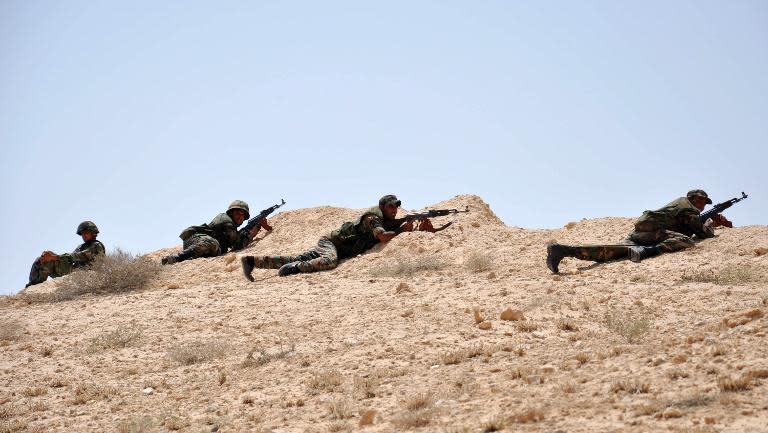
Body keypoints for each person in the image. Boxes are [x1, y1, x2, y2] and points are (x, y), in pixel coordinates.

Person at [240, 194, 435, 279]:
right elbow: (384, 237)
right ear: (383, 207)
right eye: (391, 206)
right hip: (332, 243)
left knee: (296, 257)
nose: (395, 210)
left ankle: (252, 261)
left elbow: (396, 230)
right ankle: (295, 269)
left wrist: (422, 229)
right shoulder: (373, 217)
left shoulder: (388, 219)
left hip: (340, 246)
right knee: (329, 261)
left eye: (397, 206)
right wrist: (403, 231)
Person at [546, 189, 733, 274]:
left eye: (704, 203)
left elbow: (688, 224)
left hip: (644, 230)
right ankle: (648, 251)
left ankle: (562, 250)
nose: (701, 205)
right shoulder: (688, 207)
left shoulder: (681, 206)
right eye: (700, 200)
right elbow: (700, 234)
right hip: (654, 230)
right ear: (691, 198)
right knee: (685, 241)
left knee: (609, 251)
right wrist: (712, 224)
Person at [162, 200, 271, 265]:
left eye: (243, 215)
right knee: (212, 242)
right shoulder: (226, 220)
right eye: (238, 213)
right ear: (231, 213)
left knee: (215, 247)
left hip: (206, 248)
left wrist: (255, 229)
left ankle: (187, 258)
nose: (240, 217)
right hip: (198, 240)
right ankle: (176, 258)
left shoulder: (232, 226)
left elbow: (235, 239)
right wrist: (251, 234)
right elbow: (237, 244)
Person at [26, 221, 105, 287]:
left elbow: (78, 256)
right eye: (82, 234)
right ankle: (33, 286)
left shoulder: (97, 246)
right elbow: (70, 258)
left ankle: (36, 287)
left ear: (93, 233)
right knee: (41, 259)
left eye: (86, 233)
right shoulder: (81, 246)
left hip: (86, 274)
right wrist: (51, 255)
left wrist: (55, 257)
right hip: (73, 271)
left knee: (51, 258)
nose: (83, 235)